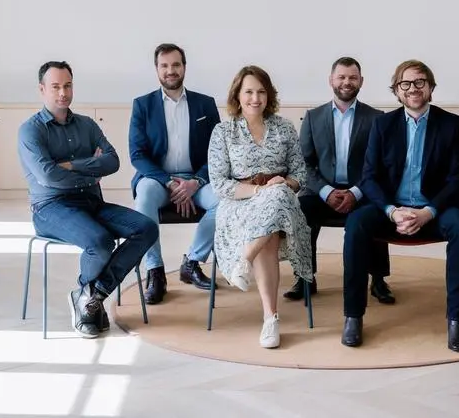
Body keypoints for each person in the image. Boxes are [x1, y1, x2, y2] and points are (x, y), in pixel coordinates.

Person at [18, 61, 158, 338]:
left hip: (92, 203)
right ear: (42, 89)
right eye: (55, 87)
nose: (63, 93)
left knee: (147, 228)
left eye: (67, 86)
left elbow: (113, 161)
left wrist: (70, 165)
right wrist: (90, 171)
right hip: (51, 208)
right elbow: (48, 176)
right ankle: (90, 300)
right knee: (99, 242)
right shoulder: (30, 131)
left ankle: (89, 293)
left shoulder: (87, 125)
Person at [341, 59, 459, 353]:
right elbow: (369, 177)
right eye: (406, 83)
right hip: (392, 209)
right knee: (356, 223)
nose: (413, 88)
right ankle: (353, 316)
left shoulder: (451, 124)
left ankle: (457, 320)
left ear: (431, 88)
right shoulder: (382, 125)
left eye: (420, 82)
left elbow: (457, 179)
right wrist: (392, 211)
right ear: (397, 91)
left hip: (433, 209)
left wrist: (428, 212)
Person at [207, 65, 312, 349]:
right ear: (237, 95)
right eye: (249, 92)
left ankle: (244, 261)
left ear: (269, 95)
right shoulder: (223, 131)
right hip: (239, 203)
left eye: (261, 92)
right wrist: (258, 191)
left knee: (275, 201)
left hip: (281, 200)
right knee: (270, 225)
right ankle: (270, 318)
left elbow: (300, 174)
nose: (256, 98)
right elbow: (219, 183)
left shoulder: (285, 128)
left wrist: (283, 184)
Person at [288, 57, 393, 303]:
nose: (347, 82)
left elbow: (380, 166)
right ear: (331, 80)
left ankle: (378, 279)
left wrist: (356, 192)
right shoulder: (313, 117)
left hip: (362, 191)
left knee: (376, 210)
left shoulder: (377, 118)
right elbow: (304, 163)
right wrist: (326, 191)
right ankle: (305, 276)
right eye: (341, 77)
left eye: (352, 77)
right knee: (300, 210)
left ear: (361, 81)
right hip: (321, 191)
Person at [129, 43, 221, 304]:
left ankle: (192, 262)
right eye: (165, 65)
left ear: (184, 67)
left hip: (197, 179)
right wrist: (169, 183)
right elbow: (137, 155)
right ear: (157, 69)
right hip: (158, 180)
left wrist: (195, 182)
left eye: (176, 65)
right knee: (144, 195)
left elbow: (217, 153)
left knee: (224, 200)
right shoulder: (143, 105)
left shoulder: (205, 104)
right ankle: (155, 271)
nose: (171, 70)